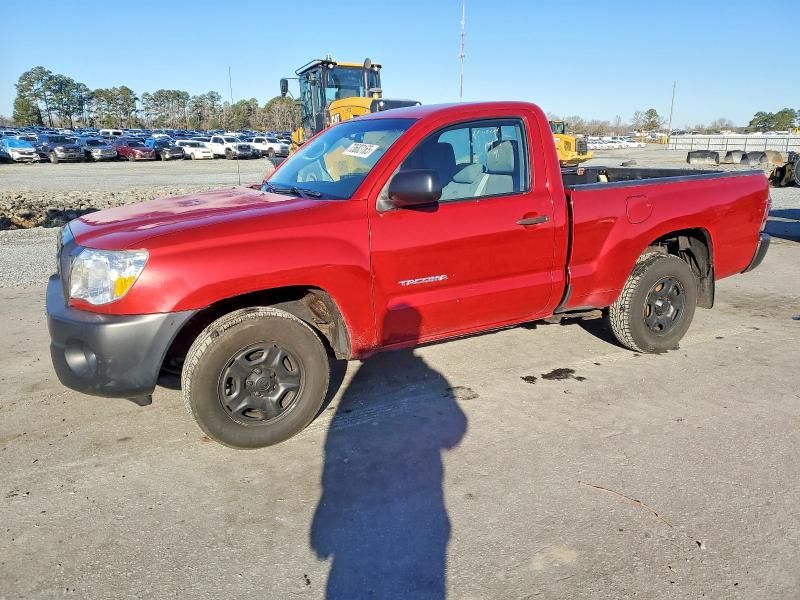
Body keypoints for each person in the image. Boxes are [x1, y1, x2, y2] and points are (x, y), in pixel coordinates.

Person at [310, 306, 467, 599]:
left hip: (354, 529)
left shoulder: (359, 381)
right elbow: (455, 430)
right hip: (418, 509)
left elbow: (332, 450)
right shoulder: (428, 376)